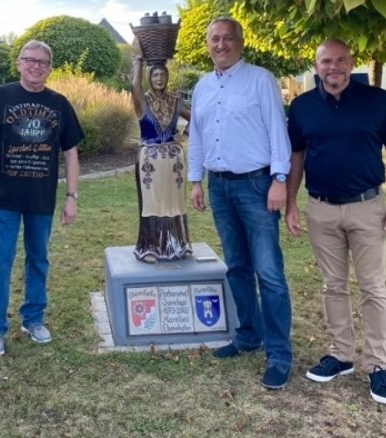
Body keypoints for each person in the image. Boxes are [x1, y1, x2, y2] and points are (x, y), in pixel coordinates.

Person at [285, 38, 386, 405]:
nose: (334, 67)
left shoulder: (378, 101)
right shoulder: (302, 107)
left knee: (373, 287)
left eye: (341, 60)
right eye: (326, 61)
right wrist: (291, 203)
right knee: (333, 286)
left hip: (367, 207)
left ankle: (378, 364)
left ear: (351, 63)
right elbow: (297, 157)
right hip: (321, 208)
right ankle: (341, 355)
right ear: (316, 66)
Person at [187, 16, 294, 390]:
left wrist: (279, 179)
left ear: (241, 42)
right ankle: (249, 335)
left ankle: (279, 354)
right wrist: (196, 180)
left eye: (227, 38)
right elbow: (197, 136)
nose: (220, 44)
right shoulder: (201, 87)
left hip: (257, 185)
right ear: (208, 45)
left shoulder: (261, 80)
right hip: (219, 187)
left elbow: (278, 130)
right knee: (237, 266)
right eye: (214, 39)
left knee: (268, 271)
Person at [0, 40, 84, 356]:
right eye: (30, 60)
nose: (36, 66)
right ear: (19, 63)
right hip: (3, 196)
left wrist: (72, 196)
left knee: (39, 259)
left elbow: (71, 153)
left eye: (43, 62)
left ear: (49, 69)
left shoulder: (60, 104)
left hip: (40, 198)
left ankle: (33, 318)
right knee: (0, 260)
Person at [130, 37, 192, 263]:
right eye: (155, 75)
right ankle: (150, 247)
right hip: (150, 160)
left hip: (174, 159)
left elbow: (195, 117)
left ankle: (178, 244)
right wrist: (138, 59)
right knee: (152, 204)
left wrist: (185, 134)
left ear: (167, 77)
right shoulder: (142, 102)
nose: (159, 79)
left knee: (175, 202)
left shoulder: (175, 101)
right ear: (149, 78)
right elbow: (134, 86)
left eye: (162, 75)